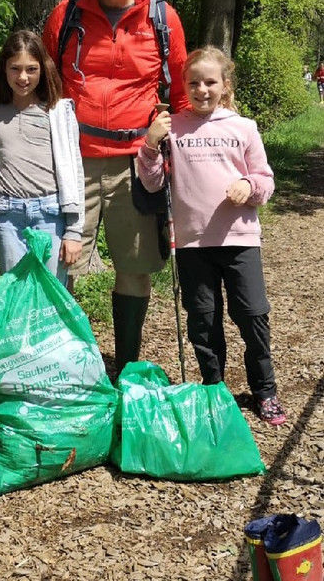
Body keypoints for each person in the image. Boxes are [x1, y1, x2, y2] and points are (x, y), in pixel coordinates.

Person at [42, 0, 189, 375]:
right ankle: (63, 366)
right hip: (72, 160)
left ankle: (125, 365)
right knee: (57, 266)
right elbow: (43, 85)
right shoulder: (66, 16)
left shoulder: (162, 18)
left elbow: (182, 96)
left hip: (136, 161)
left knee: (134, 265)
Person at [137, 46, 286, 426]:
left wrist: (247, 185)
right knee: (203, 320)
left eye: (210, 82)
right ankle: (213, 385)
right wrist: (151, 143)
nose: (202, 89)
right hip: (192, 243)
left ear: (225, 85)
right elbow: (153, 182)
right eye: (193, 82)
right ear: (184, 86)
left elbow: (266, 182)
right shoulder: (173, 127)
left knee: (252, 315)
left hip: (239, 239)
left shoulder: (243, 127)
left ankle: (264, 389)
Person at [0, 29, 84, 286]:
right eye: (15, 69)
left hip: (51, 213)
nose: (23, 77)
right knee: (15, 292)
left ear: (42, 69)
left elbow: (73, 171)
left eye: (31, 69)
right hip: (8, 215)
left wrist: (75, 230)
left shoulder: (56, 113)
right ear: (4, 69)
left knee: (51, 293)